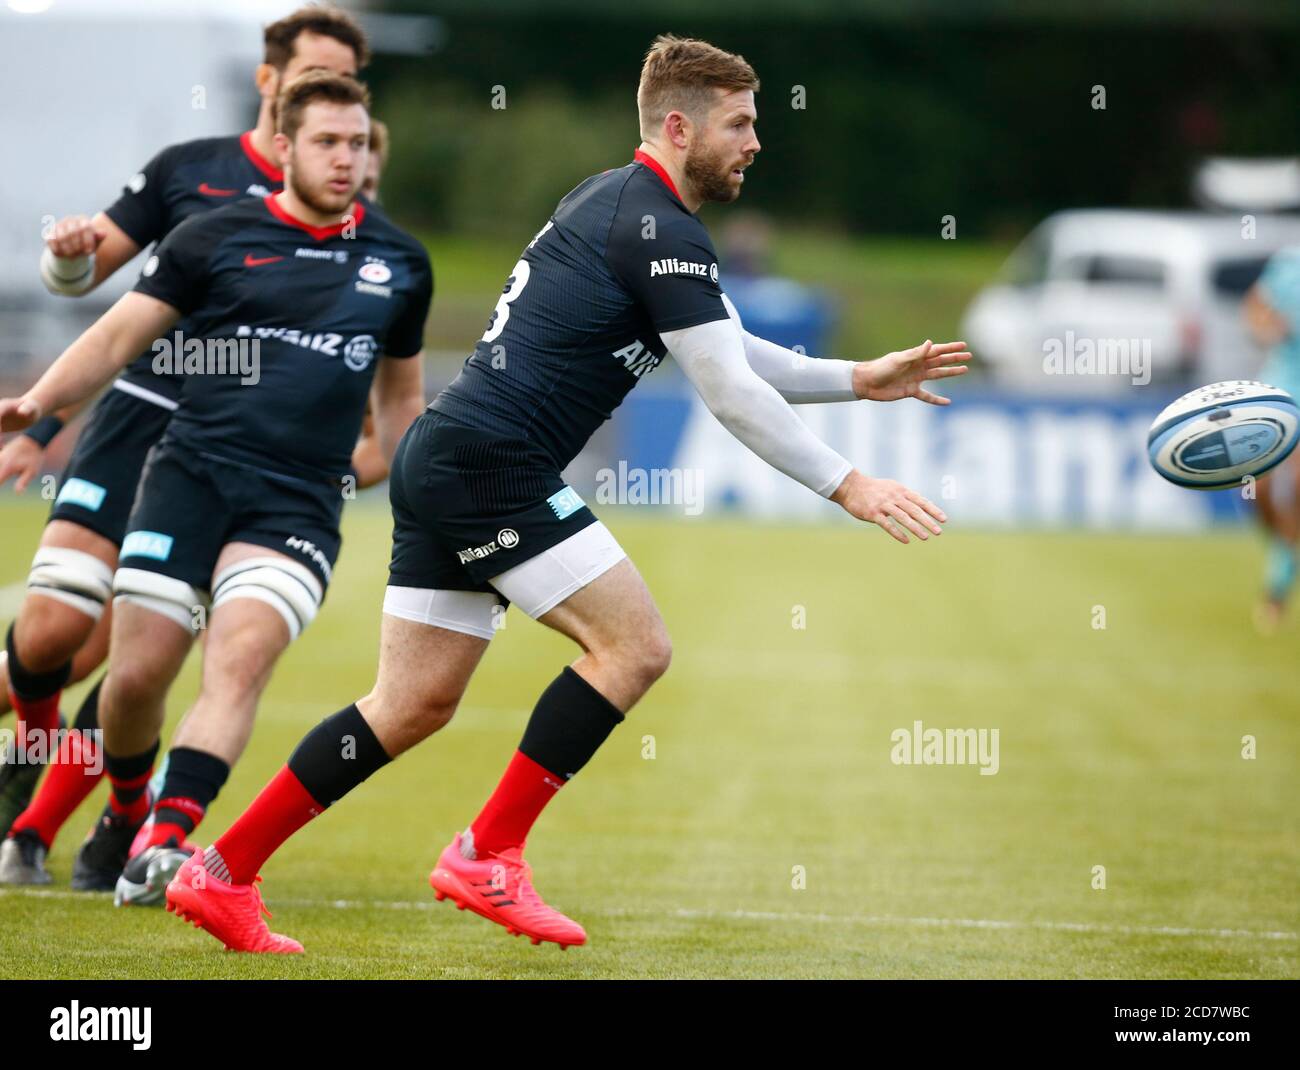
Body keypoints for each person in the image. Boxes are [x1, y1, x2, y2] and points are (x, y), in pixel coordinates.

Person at [162, 34, 966, 955]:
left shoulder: (623, 204)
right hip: (491, 465)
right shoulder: (658, 224)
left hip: (447, 455)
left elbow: (734, 351)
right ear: (678, 125)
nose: (754, 143)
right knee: (635, 647)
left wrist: (861, 377)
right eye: (740, 124)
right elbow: (729, 391)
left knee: (411, 703)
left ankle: (219, 872)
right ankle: (487, 852)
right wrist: (848, 482)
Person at [0, 72, 430, 898]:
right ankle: (126, 808)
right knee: (131, 680)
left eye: (356, 142)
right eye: (327, 142)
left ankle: (164, 844)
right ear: (283, 148)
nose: (345, 159)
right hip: (186, 478)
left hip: (296, 503)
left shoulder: (400, 262)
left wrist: (421, 495)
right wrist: (38, 404)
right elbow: (118, 334)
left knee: (237, 660)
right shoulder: (213, 239)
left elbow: (402, 404)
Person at [1243, 248, 1300, 633]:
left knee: (1295, 489)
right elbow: (1255, 308)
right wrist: (1266, 328)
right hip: (1279, 392)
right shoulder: (1289, 262)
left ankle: (1276, 590)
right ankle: (1286, 549)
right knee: (1258, 491)